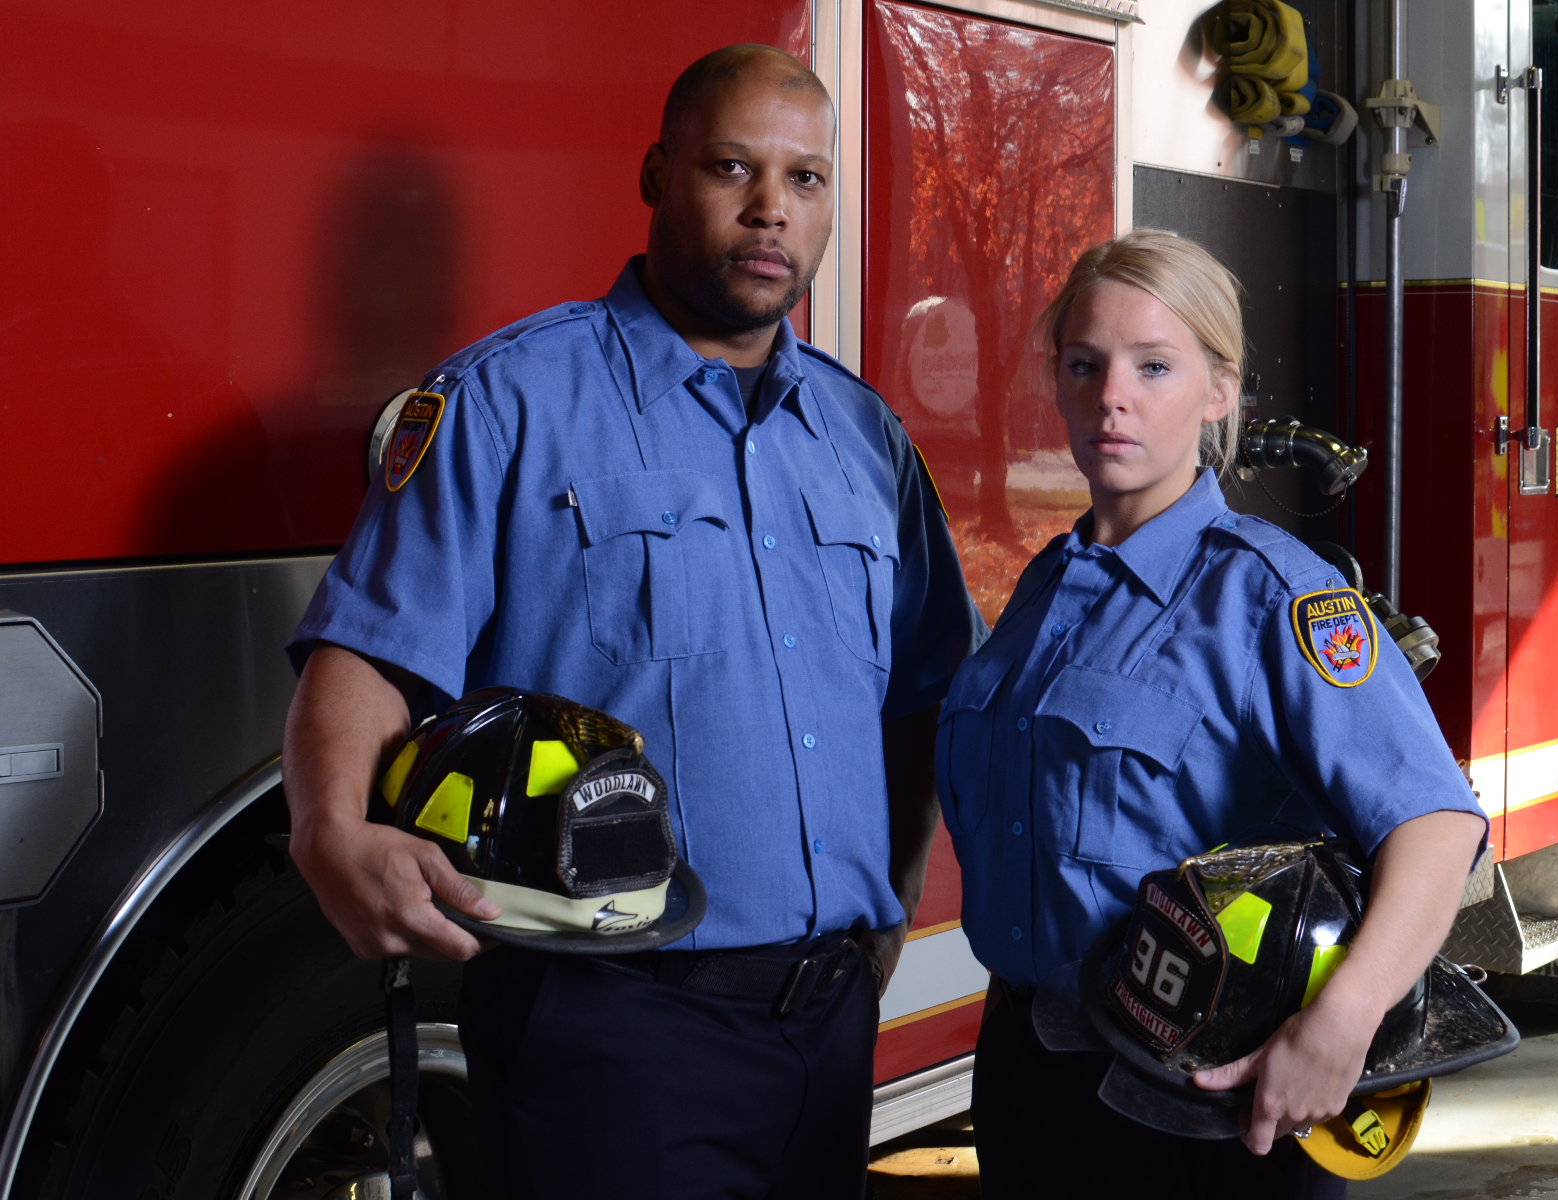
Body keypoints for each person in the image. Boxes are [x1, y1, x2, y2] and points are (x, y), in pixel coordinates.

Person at [282, 44, 982, 1199]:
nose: (771, 211)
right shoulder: (508, 400)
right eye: (730, 167)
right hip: (613, 1029)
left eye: (805, 181)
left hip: (827, 1021)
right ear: (657, 175)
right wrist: (327, 834)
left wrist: (885, 916)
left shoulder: (864, 437)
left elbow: (917, 700)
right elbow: (370, 648)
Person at [935, 229, 1487, 1198]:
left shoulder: (1270, 596)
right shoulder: (1042, 594)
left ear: (1218, 391)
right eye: (1085, 363)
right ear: (1058, 382)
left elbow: (1435, 826)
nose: (1113, 394)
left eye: (1153, 365)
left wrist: (1341, 1021)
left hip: (1207, 1105)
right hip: (1033, 1075)